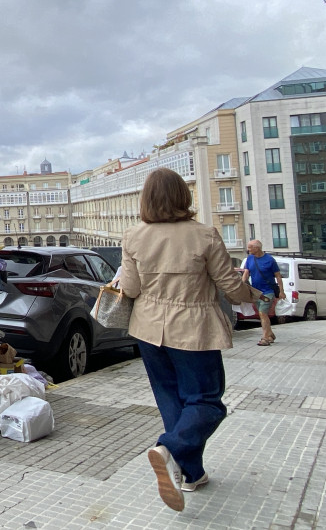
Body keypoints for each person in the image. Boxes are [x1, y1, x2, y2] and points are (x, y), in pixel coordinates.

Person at [119, 168, 260, 512]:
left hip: (148, 330)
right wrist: (253, 295)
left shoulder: (134, 236)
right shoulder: (204, 235)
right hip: (194, 327)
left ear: (146, 200)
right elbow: (230, 285)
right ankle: (168, 448)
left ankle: (190, 473)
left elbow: (132, 289)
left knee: (173, 403)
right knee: (207, 402)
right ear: (184, 196)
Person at [241, 239, 284, 346]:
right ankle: (270, 334)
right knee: (262, 315)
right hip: (256, 292)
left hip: (268, 291)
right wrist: (241, 284)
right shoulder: (250, 259)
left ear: (257, 248)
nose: (248, 249)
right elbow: (246, 273)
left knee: (262, 313)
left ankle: (265, 338)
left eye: (250, 247)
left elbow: (278, 276)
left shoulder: (270, 260)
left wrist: (281, 291)